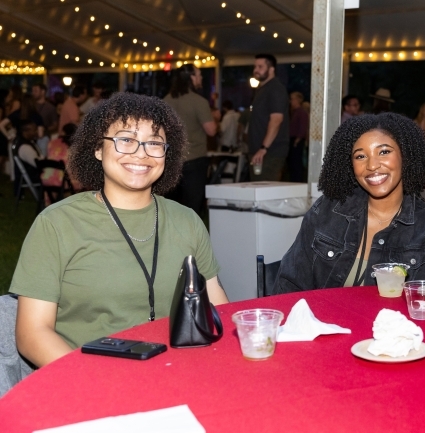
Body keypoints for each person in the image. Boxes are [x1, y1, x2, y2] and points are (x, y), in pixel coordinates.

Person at [10, 92, 229, 368]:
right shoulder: (57, 223)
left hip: (178, 375)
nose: (141, 153)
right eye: (125, 140)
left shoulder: (187, 220)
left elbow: (217, 310)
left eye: (154, 142)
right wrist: (95, 383)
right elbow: (32, 334)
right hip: (89, 380)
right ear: (98, 149)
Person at [274, 112, 425, 293]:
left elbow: (421, 305)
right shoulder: (327, 211)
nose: (372, 165)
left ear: (405, 156)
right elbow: (289, 284)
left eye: (384, 152)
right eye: (360, 156)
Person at [164, 64, 216, 214]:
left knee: (170, 207)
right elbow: (211, 131)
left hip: (171, 161)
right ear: (191, 78)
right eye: (199, 75)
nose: (201, 78)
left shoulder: (166, 100)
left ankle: (169, 236)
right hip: (194, 160)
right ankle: (192, 236)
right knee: (192, 207)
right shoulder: (199, 101)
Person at [248, 53, 290, 181]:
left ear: (271, 69)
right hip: (261, 151)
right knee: (258, 190)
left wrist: (263, 148)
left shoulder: (275, 89)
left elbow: (276, 120)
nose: (256, 70)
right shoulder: (263, 89)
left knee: (264, 192)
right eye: (255, 66)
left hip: (270, 152)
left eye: (260, 67)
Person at [288, 91, 309, 182]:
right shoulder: (294, 112)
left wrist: (298, 139)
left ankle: (297, 180)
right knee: (292, 162)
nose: (290, 101)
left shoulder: (301, 112)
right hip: (293, 139)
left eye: (292, 99)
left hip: (296, 140)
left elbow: (303, 127)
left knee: (296, 162)